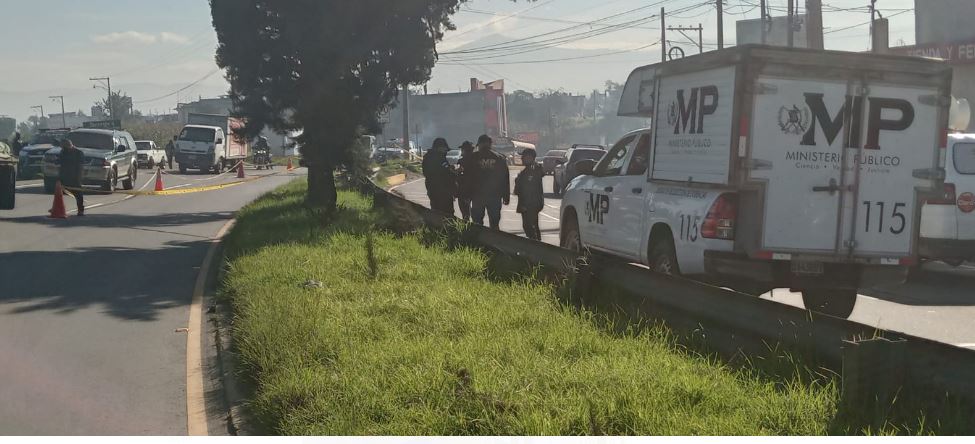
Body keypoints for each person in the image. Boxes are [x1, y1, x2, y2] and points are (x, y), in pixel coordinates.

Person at [468, 135, 509, 230]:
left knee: (477, 223)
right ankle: (495, 241)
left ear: (480, 144)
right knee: (494, 223)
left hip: (477, 195)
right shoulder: (499, 158)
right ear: (490, 144)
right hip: (494, 195)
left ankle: (479, 242)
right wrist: (506, 195)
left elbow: (468, 177)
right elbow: (505, 178)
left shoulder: (473, 158)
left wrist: (467, 194)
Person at [513, 148, 544, 241]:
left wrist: (525, 205)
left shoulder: (534, 170)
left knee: (531, 226)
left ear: (531, 158)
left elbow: (529, 189)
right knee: (528, 226)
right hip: (526, 203)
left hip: (531, 204)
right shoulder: (526, 171)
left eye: (524, 156)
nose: (522, 158)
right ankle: (536, 244)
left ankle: (537, 247)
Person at [422, 137, 457, 216]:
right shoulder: (440, 158)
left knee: (435, 212)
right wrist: (454, 172)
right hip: (444, 192)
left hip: (432, 190)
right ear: (440, 148)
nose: (446, 151)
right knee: (448, 214)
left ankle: (436, 227)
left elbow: (426, 173)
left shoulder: (427, 157)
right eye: (445, 149)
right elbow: (447, 174)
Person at [59, 138, 85, 216]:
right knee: (59, 192)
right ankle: (58, 207)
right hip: (65, 176)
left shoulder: (78, 153)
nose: (63, 148)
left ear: (68, 145)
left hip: (75, 176)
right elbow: (62, 164)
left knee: (78, 194)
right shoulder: (63, 152)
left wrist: (78, 178)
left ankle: (80, 210)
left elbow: (80, 167)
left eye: (64, 146)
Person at [455, 141, 476, 222]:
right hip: (477, 189)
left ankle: (467, 228)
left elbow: (458, 174)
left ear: (464, 150)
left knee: (465, 212)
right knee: (476, 213)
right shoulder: (477, 159)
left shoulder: (462, 161)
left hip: (464, 189)